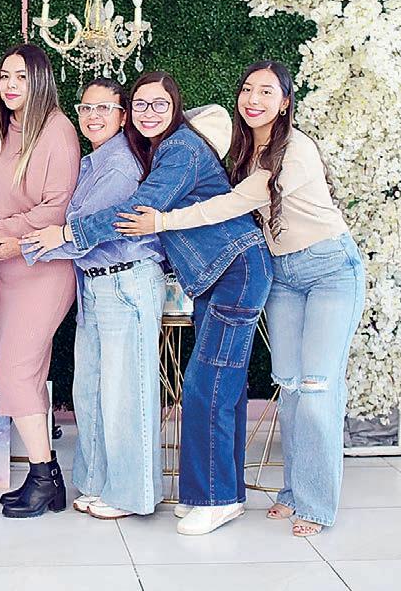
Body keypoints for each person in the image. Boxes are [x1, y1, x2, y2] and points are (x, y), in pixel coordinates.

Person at [114, 61, 365, 536]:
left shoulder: (296, 150)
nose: (253, 99)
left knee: (316, 389)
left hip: (330, 270)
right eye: (247, 90)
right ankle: (293, 493)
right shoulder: (249, 151)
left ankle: (315, 505)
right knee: (290, 385)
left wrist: (162, 221)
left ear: (285, 102)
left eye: (266, 92)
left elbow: (237, 202)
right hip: (283, 276)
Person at [28, 71, 273, 535]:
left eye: (159, 104)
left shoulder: (180, 149)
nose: (148, 113)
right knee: (220, 386)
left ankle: (217, 499)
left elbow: (137, 213)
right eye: (141, 104)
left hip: (237, 267)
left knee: (206, 386)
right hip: (218, 273)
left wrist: (63, 233)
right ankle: (226, 494)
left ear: (175, 108)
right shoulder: (159, 150)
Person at [20, 78, 166, 520]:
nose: (93, 117)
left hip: (126, 282)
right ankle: (100, 482)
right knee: (93, 391)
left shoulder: (119, 164)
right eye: (86, 108)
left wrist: (19, 246)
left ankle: (130, 495)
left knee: (125, 395)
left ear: (122, 116)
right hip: (98, 284)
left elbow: (90, 231)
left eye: (104, 109)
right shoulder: (92, 162)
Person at [0, 43, 80, 519]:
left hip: (42, 267)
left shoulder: (57, 130)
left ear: (40, 81)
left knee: (12, 371)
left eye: (22, 77)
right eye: (5, 76)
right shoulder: (0, 131)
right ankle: (45, 479)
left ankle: (44, 475)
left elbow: (56, 209)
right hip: (4, 268)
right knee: (25, 373)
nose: (10, 86)